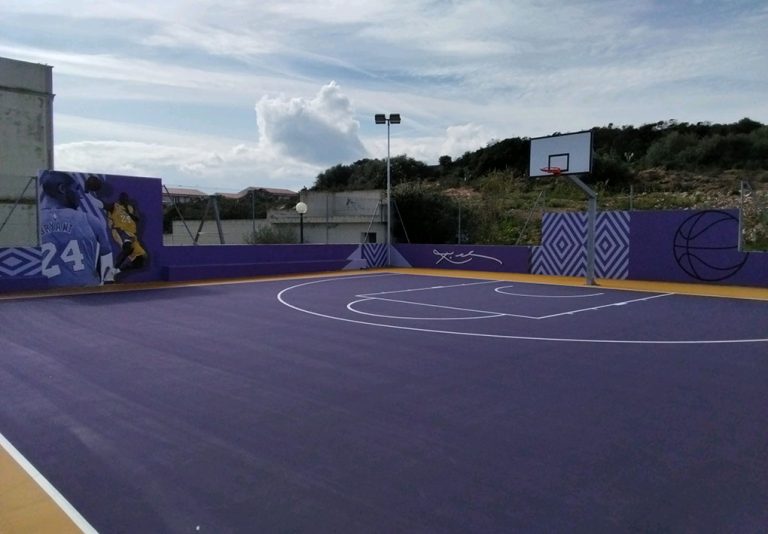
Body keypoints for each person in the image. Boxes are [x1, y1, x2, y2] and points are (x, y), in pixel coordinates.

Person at [38, 171, 111, 287]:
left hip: (47, 294)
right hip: (86, 291)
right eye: (76, 189)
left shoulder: (33, 223)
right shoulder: (91, 220)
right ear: (62, 189)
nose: (80, 195)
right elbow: (106, 260)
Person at [106, 192, 147, 270]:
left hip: (131, 234)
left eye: (125, 199)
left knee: (141, 259)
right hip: (120, 231)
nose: (124, 200)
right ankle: (113, 269)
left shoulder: (130, 207)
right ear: (119, 199)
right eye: (122, 198)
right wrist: (111, 224)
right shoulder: (114, 206)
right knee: (128, 248)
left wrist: (128, 213)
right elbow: (105, 207)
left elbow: (137, 218)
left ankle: (117, 271)